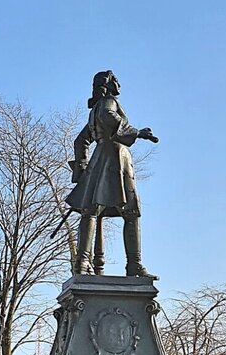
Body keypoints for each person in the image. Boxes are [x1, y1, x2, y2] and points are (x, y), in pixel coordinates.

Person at [66, 70, 159, 276]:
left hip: (102, 158)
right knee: (131, 211)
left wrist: (81, 170)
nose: (119, 84)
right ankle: (134, 264)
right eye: (116, 81)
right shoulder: (108, 102)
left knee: (91, 210)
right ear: (108, 86)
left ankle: (82, 263)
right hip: (115, 158)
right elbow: (108, 117)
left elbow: (80, 141)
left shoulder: (95, 109)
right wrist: (137, 132)